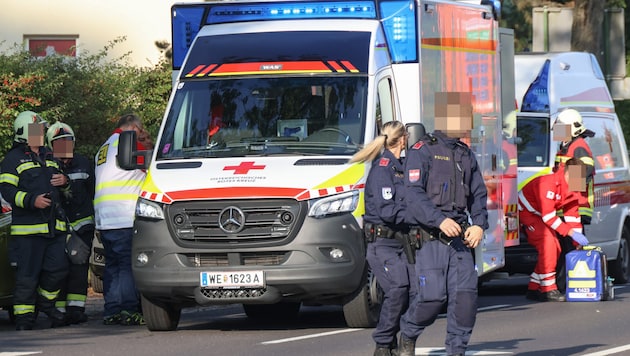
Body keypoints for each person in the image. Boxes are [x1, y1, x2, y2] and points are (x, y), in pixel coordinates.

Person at [398, 92, 488, 356]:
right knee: (432, 298)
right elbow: (413, 195)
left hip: (460, 241)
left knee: (465, 300)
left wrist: (479, 224)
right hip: (430, 239)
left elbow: (479, 195)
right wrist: (439, 220)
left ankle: (456, 351)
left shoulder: (465, 154)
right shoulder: (422, 151)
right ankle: (408, 331)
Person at [0, 111, 70, 330]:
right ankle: (24, 320)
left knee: (58, 270)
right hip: (28, 231)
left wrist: (65, 182)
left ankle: (44, 304)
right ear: (24, 132)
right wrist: (32, 201)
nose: (41, 132)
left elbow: (66, 190)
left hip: (54, 229)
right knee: (27, 277)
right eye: (37, 129)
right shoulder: (12, 159)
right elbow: (7, 191)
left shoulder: (50, 155)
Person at [350, 121, 413, 356]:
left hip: (401, 242)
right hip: (382, 243)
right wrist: (418, 215)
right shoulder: (383, 169)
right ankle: (384, 343)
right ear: (403, 139)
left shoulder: (401, 166)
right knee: (398, 288)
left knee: (415, 291)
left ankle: (400, 340)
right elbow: (388, 211)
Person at [94, 113, 151, 326]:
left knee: (113, 266)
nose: (141, 133)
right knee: (127, 266)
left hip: (105, 218)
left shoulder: (103, 148)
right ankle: (129, 309)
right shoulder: (129, 144)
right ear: (133, 128)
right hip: (124, 216)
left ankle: (112, 310)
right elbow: (152, 168)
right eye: (140, 129)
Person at [519, 157, 589, 302]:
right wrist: (570, 233)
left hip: (539, 214)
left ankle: (534, 286)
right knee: (549, 244)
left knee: (555, 247)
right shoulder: (548, 183)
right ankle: (548, 289)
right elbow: (549, 217)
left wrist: (578, 241)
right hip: (526, 212)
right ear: (568, 174)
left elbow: (573, 217)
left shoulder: (573, 186)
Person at [46, 121, 96, 324]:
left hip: (82, 227)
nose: (64, 146)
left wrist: (67, 183)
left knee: (78, 270)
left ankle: (76, 310)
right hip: (57, 229)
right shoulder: (46, 165)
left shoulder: (84, 163)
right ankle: (58, 312)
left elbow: (92, 193)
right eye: (59, 142)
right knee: (58, 270)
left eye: (68, 141)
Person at [552, 108, 595, 293]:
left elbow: (584, 172)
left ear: (573, 128)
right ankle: (566, 285)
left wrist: (567, 191)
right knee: (566, 248)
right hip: (569, 206)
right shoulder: (567, 146)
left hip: (576, 207)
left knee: (570, 249)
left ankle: (569, 285)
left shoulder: (578, 146)